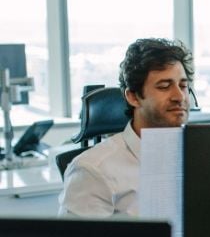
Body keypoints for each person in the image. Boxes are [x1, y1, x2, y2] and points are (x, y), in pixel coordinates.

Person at [59, 38, 193, 216]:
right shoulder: (93, 170)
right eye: (164, 86)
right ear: (133, 97)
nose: (179, 96)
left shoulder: (198, 156)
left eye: (183, 86)